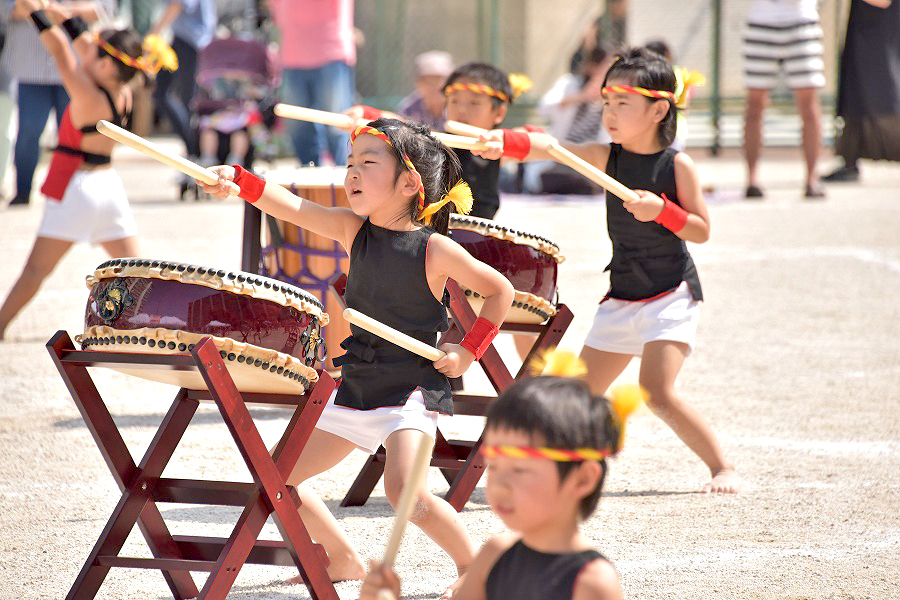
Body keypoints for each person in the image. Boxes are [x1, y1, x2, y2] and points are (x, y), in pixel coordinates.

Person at [199, 118, 516, 596]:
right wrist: (238, 180)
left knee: (406, 493)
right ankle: (341, 558)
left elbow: (500, 291)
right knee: (279, 478)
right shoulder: (353, 230)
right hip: (357, 384)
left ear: (409, 184)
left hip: (409, 390)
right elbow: (291, 206)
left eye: (368, 162)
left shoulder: (435, 249)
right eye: (350, 163)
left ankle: (474, 569)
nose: (352, 173)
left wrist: (468, 352)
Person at [472, 48, 740, 494]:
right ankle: (551, 473)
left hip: (670, 293)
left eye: (622, 103)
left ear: (659, 110)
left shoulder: (676, 165)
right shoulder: (604, 155)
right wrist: (505, 143)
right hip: (622, 296)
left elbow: (701, 230)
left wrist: (662, 210)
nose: (610, 113)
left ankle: (721, 467)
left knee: (656, 390)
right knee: (577, 399)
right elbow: (554, 149)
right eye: (607, 102)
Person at [360, 350, 627, 600]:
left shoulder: (592, 583)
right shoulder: (493, 555)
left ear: (583, 479)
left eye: (519, 469)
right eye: (495, 466)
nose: (499, 485)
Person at [0, 2, 176, 341]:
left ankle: (0, 325)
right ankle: (166, 329)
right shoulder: (124, 88)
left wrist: (36, 12)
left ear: (106, 64)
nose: (86, 52)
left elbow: (59, 47)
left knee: (35, 270)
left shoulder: (86, 90)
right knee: (140, 273)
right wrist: (52, 8)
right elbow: (81, 40)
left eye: (94, 52)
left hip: (78, 190)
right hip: (109, 188)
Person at [0, 0, 115, 206]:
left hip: (75, 69)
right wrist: (41, 11)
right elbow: (6, 9)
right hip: (31, 67)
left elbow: (105, 9)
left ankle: (68, 191)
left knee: (74, 137)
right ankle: (25, 191)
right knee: (29, 132)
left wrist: (52, 11)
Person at [741, 0, 826, 199]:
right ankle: (752, 181)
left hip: (802, 20)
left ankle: (812, 180)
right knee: (755, 105)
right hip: (761, 20)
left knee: (809, 104)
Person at [267, 0, 356, 166]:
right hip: (293, 56)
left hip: (331, 52)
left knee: (338, 125)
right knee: (297, 125)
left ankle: (347, 172)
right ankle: (310, 173)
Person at [823, 0, 900, 183]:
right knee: (855, 100)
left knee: (883, 101)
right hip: (864, 33)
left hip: (879, 39)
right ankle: (849, 162)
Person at [442, 61, 530, 218]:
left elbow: (538, 137)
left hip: (479, 230)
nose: (461, 109)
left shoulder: (497, 147)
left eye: (474, 103)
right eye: (454, 101)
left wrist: (505, 140)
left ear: (499, 113)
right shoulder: (436, 144)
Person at [525, 45, 613, 195]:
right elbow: (544, 108)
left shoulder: (612, 95)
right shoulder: (570, 84)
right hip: (563, 153)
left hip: (591, 160)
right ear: (593, 67)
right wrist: (582, 96)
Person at [148, 0, 217, 163]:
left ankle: (194, 150)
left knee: (181, 98)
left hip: (190, 42)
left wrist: (153, 33)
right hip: (185, 40)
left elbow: (177, 4)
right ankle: (192, 149)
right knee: (164, 94)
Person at [395, 50, 454, 131]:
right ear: (417, 83)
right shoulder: (408, 109)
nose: (434, 86)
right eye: (427, 81)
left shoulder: (459, 107)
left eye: (439, 80)